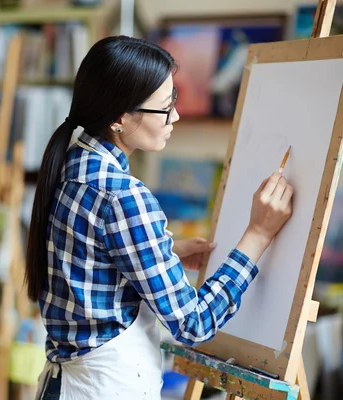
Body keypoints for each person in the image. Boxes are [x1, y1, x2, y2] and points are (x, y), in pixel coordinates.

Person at [26, 36, 294, 399]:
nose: (176, 116)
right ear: (120, 118)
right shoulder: (122, 195)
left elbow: (85, 259)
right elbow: (193, 323)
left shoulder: (72, 163)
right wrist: (259, 233)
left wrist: (167, 252)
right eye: (166, 107)